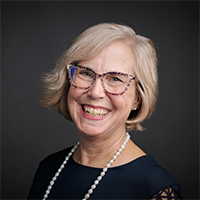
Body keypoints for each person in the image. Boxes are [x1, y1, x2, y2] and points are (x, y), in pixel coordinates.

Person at [27, 23, 183, 200]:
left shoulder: (155, 187)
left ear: (137, 98)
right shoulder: (49, 167)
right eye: (86, 73)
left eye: (115, 78)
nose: (95, 92)